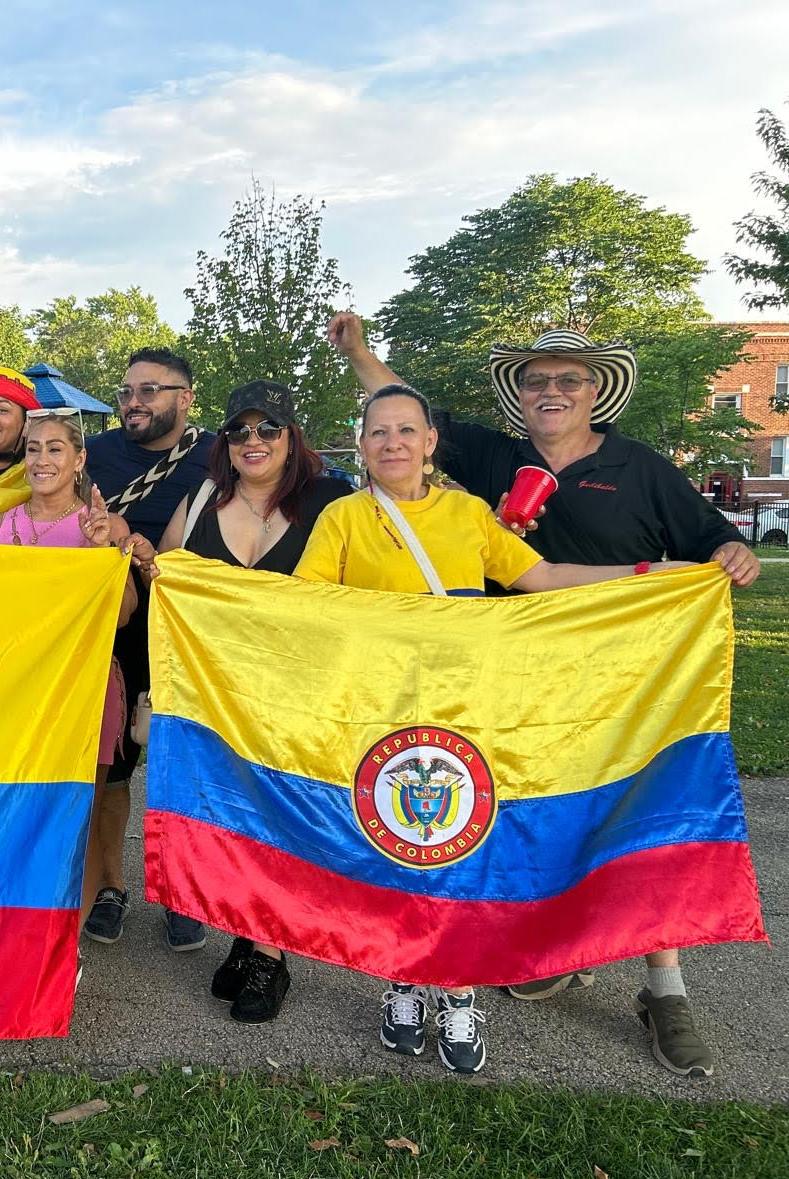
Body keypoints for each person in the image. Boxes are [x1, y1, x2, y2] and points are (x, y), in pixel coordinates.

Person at [327, 311, 756, 1078]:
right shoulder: (496, 458)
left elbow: (706, 544)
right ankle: (549, 948)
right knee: (516, 812)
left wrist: (722, 553)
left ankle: (666, 989)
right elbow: (400, 407)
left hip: (617, 673)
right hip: (511, 682)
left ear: (596, 392)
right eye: (536, 381)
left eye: (568, 380)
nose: (551, 391)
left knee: (636, 813)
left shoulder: (642, 468)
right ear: (519, 397)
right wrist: (359, 352)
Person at [128, 379, 354, 1025]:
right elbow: (166, 576)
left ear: (292, 437)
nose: (253, 440)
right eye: (240, 431)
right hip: (218, 697)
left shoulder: (331, 501)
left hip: (297, 695)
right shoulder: (202, 499)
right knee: (234, 818)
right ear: (225, 442)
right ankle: (247, 932)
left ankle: (272, 956)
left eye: (268, 429)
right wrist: (140, 553)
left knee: (281, 819)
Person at [81, 347, 214, 951]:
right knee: (111, 765)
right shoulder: (99, 452)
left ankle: (184, 894)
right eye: (128, 391)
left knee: (186, 765)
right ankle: (110, 886)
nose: (134, 402)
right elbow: (30, 480)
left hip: (191, 629)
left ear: (185, 398)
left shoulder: (220, 453)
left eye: (150, 391)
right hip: (115, 626)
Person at [0, 408, 137, 925]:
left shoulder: (103, 525)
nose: (42, 459)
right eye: (33, 449)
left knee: (80, 816)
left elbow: (121, 615)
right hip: (17, 688)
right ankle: (20, 925)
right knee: (15, 808)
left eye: (55, 449)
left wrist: (99, 554)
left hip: (84, 686)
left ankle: (67, 937)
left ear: (79, 459)